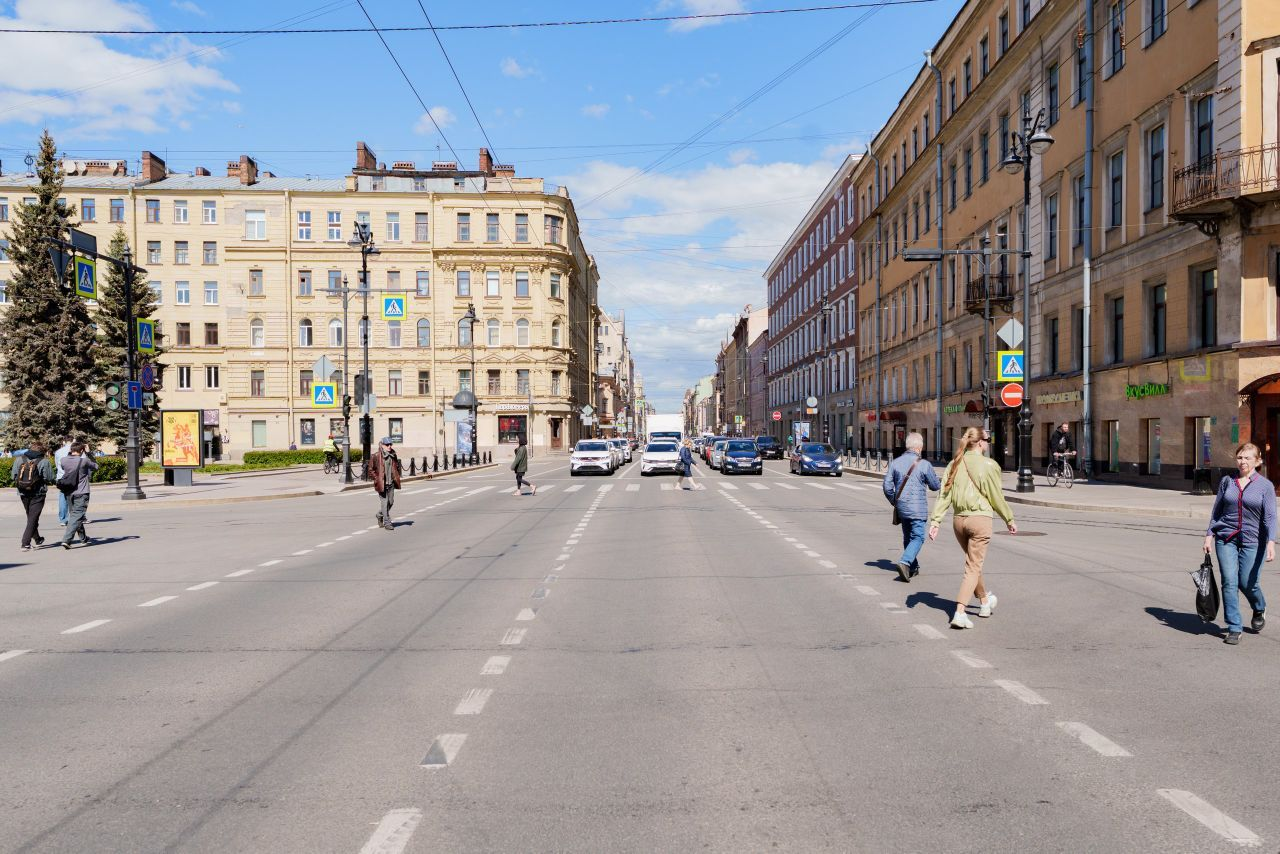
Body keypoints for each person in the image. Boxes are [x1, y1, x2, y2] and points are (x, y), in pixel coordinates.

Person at [928, 428, 1017, 629]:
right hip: (980, 520)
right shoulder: (989, 465)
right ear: (980, 442)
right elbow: (996, 496)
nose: (988, 443)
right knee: (973, 567)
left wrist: (935, 521)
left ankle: (985, 602)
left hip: (958, 521)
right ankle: (959, 613)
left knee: (973, 565)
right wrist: (1009, 519)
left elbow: (944, 495)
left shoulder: (954, 463)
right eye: (987, 439)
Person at [1204, 443, 1275, 645]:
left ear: (1257, 461)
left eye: (1247, 458)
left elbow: (1270, 516)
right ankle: (1234, 627)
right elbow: (1217, 510)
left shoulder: (1265, 486)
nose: (1243, 461)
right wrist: (1209, 534)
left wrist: (1271, 542)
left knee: (1247, 583)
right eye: (1240, 457)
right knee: (1229, 581)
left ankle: (1259, 607)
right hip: (1226, 538)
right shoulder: (1227, 481)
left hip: (1254, 540)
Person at [883, 431, 941, 583]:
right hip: (918, 509)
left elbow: (887, 486)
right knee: (918, 537)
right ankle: (905, 562)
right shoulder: (924, 464)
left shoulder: (895, 463)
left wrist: (894, 501)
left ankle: (912, 567)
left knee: (908, 537)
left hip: (902, 508)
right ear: (919, 447)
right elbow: (935, 486)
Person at [12, 442, 56, 551]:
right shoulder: (44, 461)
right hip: (38, 493)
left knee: (31, 517)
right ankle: (25, 543)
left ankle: (37, 538)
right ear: (42, 451)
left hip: (23, 492)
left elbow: (13, 476)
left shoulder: (19, 459)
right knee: (33, 518)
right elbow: (50, 477)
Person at [59, 442, 98, 549]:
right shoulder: (84, 461)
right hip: (82, 491)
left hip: (69, 492)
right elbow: (96, 466)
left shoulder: (63, 460)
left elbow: (64, 467)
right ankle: (67, 540)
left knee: (75, 515)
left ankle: (83, 538)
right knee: (77, 516)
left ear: (71, 450)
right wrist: (89, 453)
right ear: (81, 451)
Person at [370, 437, 401, 530]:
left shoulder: (393, 455)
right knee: (384, 503)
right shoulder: (375, 456)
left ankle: (379, 515)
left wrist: (396, 476)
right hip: (382, 484)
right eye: (387, 445)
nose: (389, 446)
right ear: (382, 445)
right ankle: (387, 522)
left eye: (390, 444)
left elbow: (396, 467)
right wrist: (377, 478)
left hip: (391, 483)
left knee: (390, 502)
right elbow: (370, 470)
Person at [53, 435, 72, 526]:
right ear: (73, 440)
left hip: (62, 477)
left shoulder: (58, 452)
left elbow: (57, 465)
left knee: (63, 498)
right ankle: (76, 518)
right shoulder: (77, 450)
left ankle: (63, 519)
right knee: (76, 497)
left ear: (64, 442)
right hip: (74, 477)